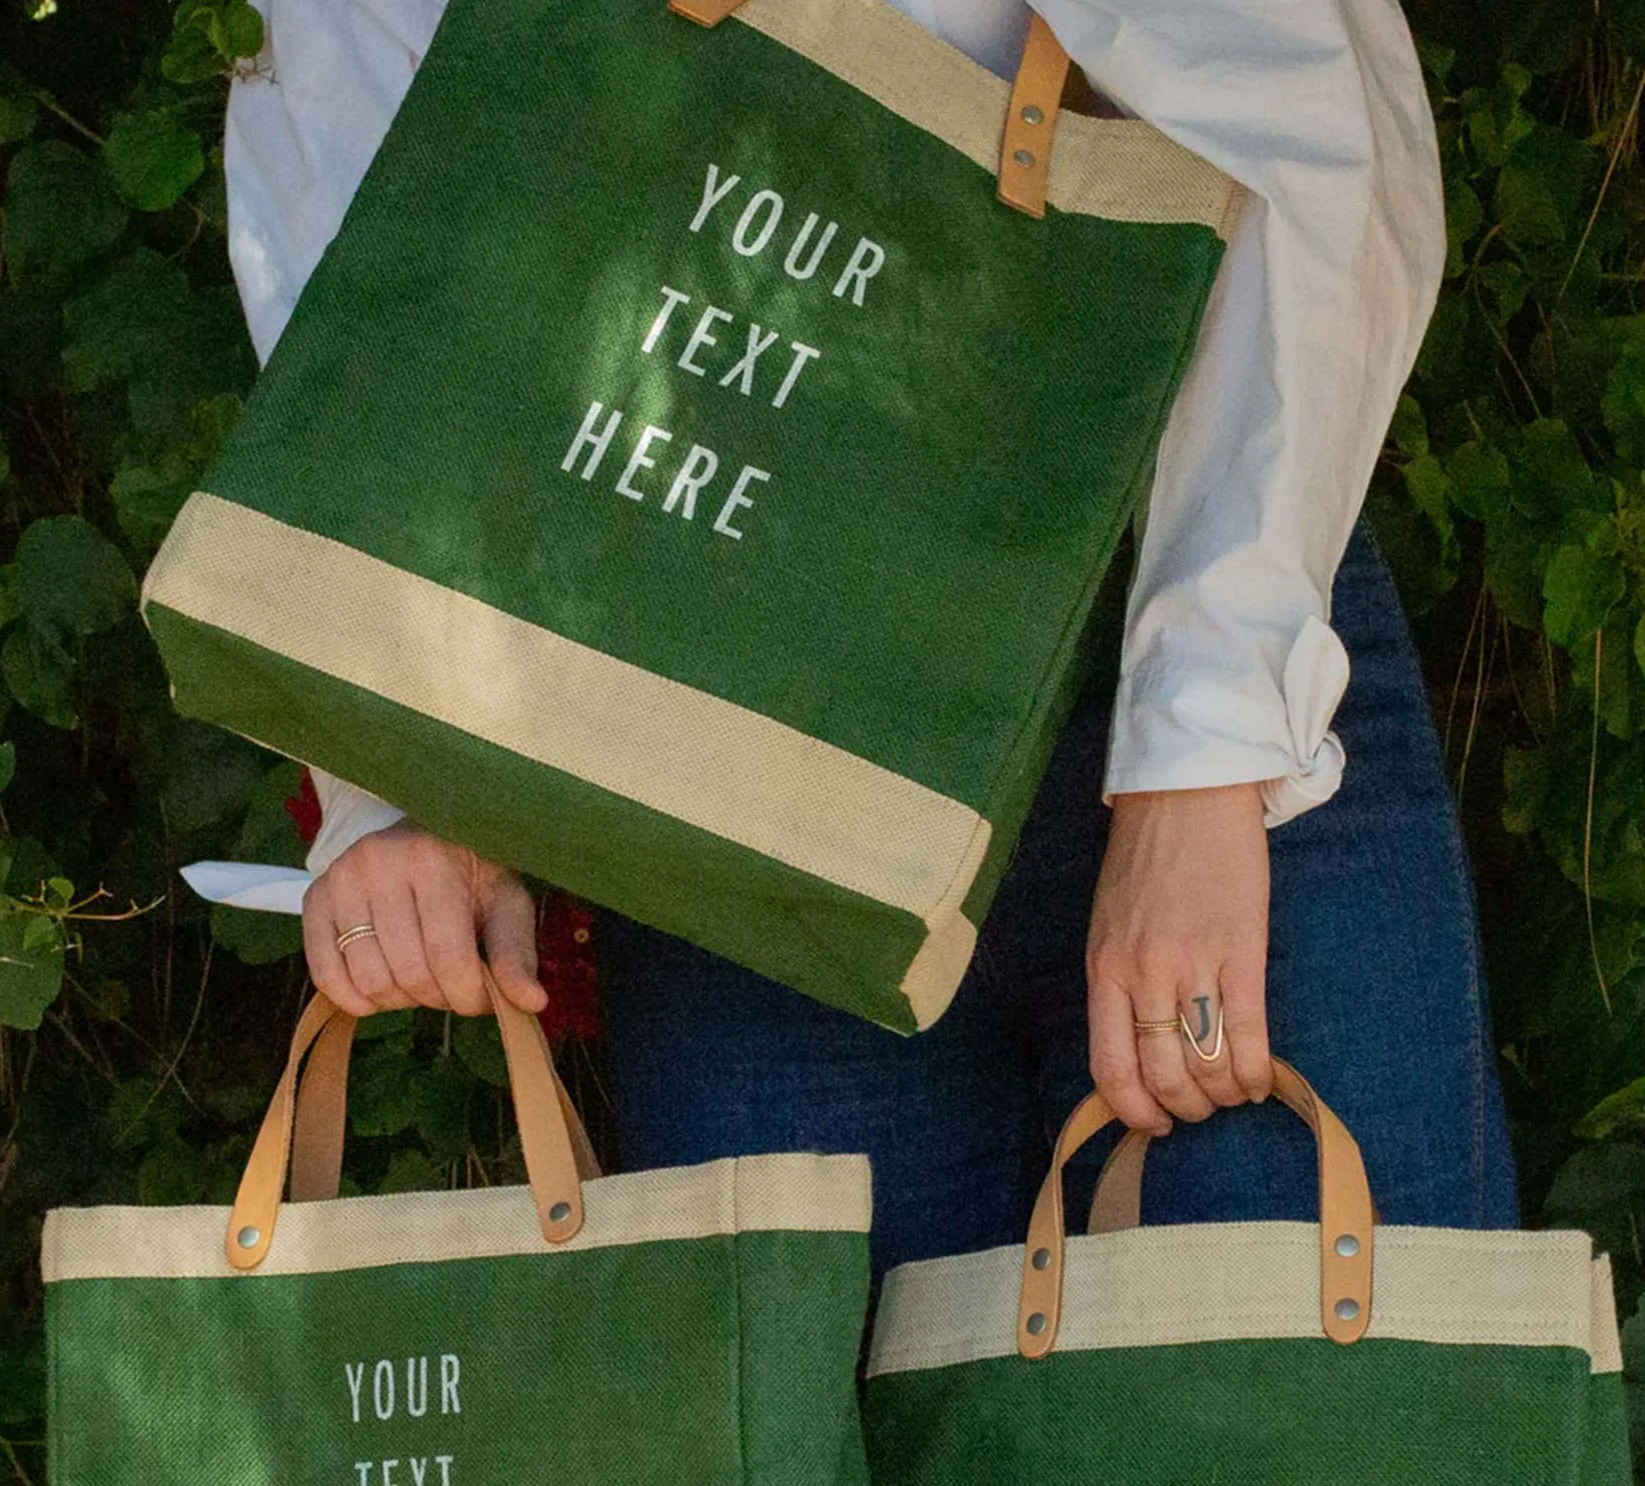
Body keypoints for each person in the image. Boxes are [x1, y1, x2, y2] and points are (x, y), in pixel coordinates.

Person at [226, 0, 1520, 1275]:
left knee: (1314, 1397)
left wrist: (1204, 755)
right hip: (725, 687)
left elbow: (1300, 113)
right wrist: (405, 762)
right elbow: (374, 188)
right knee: (815, 1414)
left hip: (1201, 601)